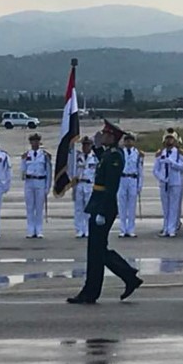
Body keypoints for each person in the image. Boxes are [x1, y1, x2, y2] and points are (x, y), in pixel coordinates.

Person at [67, 121, 142, 304]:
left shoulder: (116, 156)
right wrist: (97, 147)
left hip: (104, 206)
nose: (103, 135)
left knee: (96, 251)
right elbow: (103, 162)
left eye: (106, 134)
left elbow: (111, 185)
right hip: (98, 203)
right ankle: (127, 277)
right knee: (97, 251)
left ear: (113, 137)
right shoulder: (110, 154)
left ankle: (93, 291)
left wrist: (101, 211)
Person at [154, 128, 183, 237]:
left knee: (173, 206)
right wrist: (161, 178)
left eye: (171, 139)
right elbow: (155, 170)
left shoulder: (179, 154)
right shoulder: (160, 154)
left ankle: (171, 228)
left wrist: (173, 163)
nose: (169, 141)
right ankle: (165, 228)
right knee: (165, 207)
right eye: (167, 139)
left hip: (176, 182)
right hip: (164, 183)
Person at [20, 133, 52, 239]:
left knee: (39, 208)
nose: (35, 143)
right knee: (29, 207)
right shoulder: (26, 155)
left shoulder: (45, 155)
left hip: (40, 181)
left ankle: (38, 230)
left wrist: (47, 187)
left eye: (37, 141)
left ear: (39, 142)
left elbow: (49, 171)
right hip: (29, 182)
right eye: (33, 141)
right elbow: (22, 170)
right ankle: (30, 229)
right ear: (30, 142)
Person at [116, 132, 143, 238]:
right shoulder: (120, 152)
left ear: (133, 142)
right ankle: (122, 229)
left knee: (132, 206)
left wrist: (139, 185)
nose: (128, 142)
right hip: (122, 179)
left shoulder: (137, 154)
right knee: (122, 206)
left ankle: (131, 229)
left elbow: (140, 170)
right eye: (126, 140)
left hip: (132, 179)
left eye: (130, 140)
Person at [72, 136, 98, 238]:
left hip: (89, 184)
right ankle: (79, 229)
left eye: (87, 145)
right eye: (84, 145)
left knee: (89, 208)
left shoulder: (95, 158)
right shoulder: (77, 157)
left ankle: (87, 229)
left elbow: (97, 173)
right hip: (79, 184)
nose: (85, 147)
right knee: (78, 208)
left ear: (91, 146)